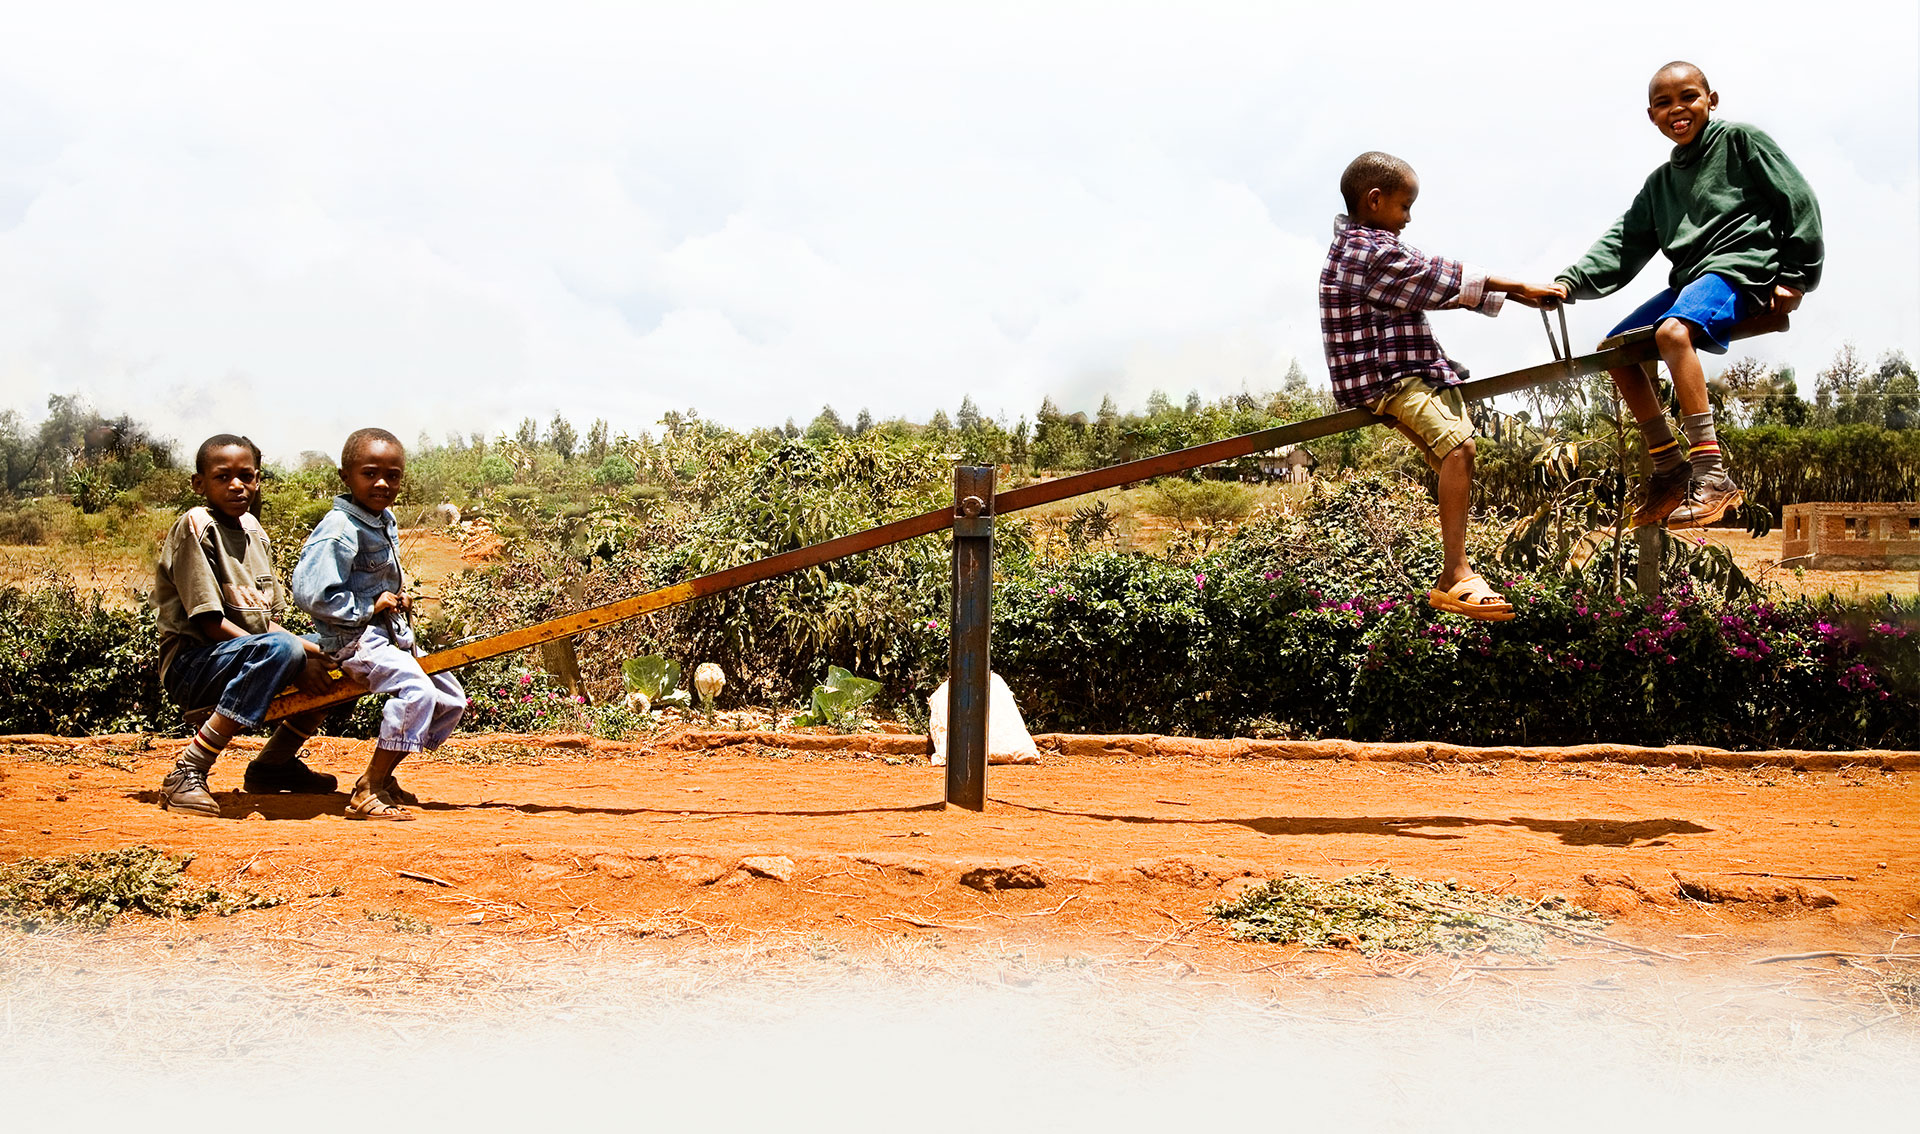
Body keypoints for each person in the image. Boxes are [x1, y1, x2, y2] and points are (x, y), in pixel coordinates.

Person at [1552, 61, 1822, 529]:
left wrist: (1797, 276)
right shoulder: (1660, 183)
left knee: (1673, 332)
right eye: (1663, 103)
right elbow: (1623, 242)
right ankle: (1669, 467)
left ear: (1711, 99)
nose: (1677, 109)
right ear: (1651, 115)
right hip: (1694, 280)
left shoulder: (1741, 141)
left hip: (1743, 265)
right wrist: (1569, 283)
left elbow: (1798, 200)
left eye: (1689, 97)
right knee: (1614, 353)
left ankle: (1712, 474)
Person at [1321, 151, 1560, 620]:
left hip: (1397, 372)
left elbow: (1435, 286)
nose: (1409, 218)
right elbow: (1434, 275)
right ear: (1374, 200)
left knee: (1447, 455)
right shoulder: (1365, 251)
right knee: (1459, 449)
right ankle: (1455, 573)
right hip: (1385, 377)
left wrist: (1510, 296)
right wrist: (1517, 285)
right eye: (1404, 206)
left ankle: (1455, 574)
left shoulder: (1372, 244)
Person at [153, 435, 337, 817]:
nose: (236, 485)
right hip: (194, 663)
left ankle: (274, 765)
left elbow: (267, 622)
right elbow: (209, 623)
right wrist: (293, 658)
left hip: (246, 653)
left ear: (257, 480)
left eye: (246, 476)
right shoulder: (196, 525)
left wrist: (318, 653)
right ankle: (187, 771)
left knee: (347, 652)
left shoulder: (254, 530)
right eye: (222, 477)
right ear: (199, 484)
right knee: (287, 650)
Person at [291, 428, 465, 821]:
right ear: (345, 476)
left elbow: (378, 579)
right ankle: (368, 788)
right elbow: (311, 594)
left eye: (393, 475)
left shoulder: (382, 519)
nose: (382, 483)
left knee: (449, 698)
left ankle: (385, 776)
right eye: (370, 473)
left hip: (390, 635)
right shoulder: (339, 529)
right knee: (417, 691)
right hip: (354, 640)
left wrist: (395, 598)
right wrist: (369, 607)